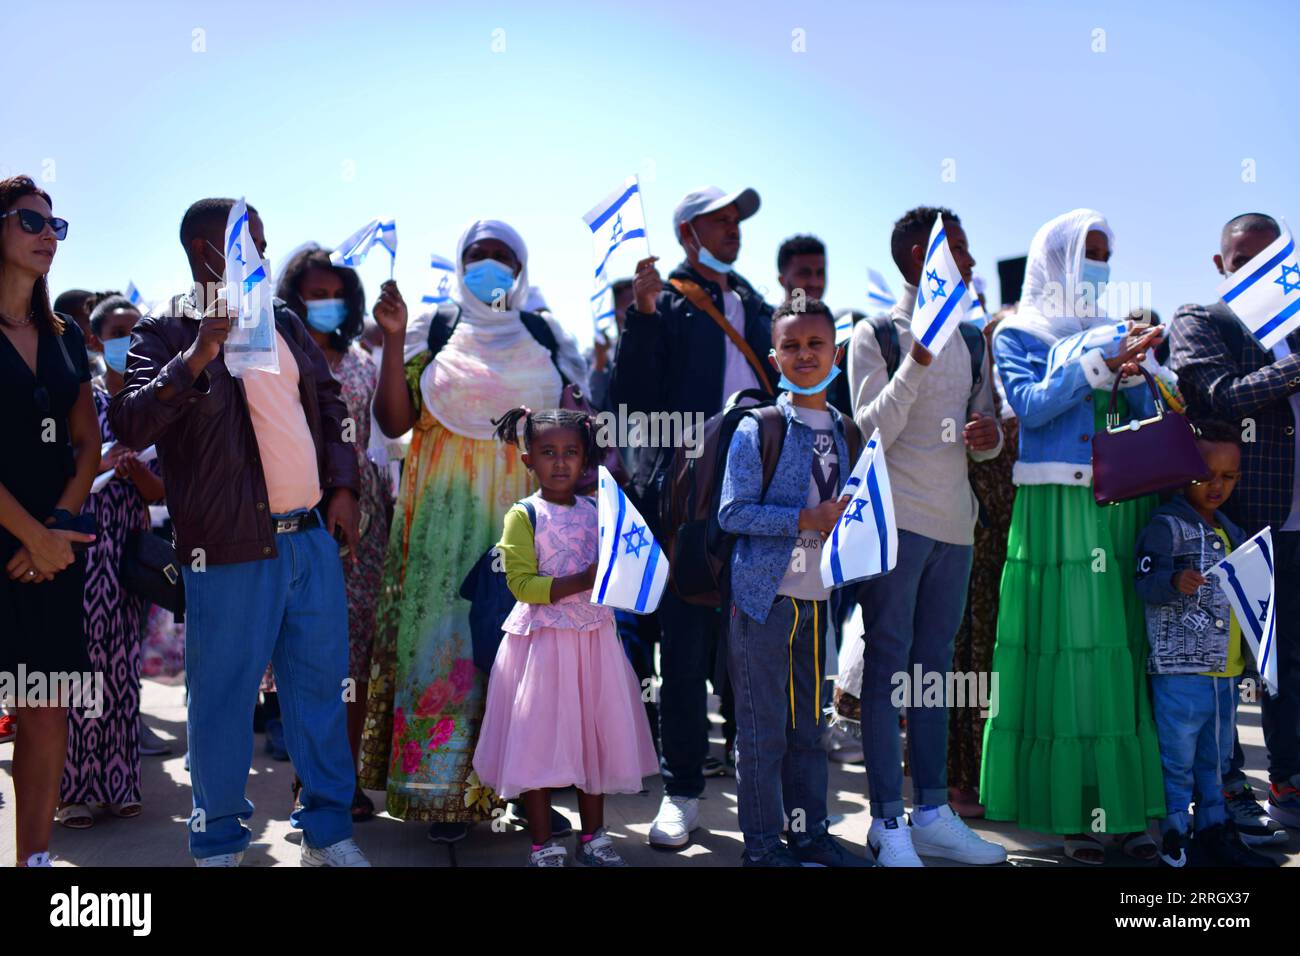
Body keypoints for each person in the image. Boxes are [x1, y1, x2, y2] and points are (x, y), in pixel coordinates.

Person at [109, 197, 368, 867]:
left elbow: (332, 401)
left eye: (261, 238)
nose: (262, 249)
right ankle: (219, 839)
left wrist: (343, 488)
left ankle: (328, 831)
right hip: (226, 550)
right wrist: (200, 353)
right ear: (207, 253)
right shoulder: (164, 332)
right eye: (247, 240)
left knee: (317, 692)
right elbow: (133, 424)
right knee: (221, 702)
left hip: (310, 539)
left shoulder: (282, 319)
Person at [363, 219, 586, 844]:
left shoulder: (544, 337)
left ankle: (526, 795)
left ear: (522, 269)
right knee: (449, 651)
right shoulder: (432, 332)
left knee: (526, 655)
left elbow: (574, 423)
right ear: (460, 266)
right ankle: (443, 794)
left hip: (527, 523)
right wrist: (387, 342)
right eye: (477, 256)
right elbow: (393, 420)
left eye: (503, 257)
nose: (490, 267)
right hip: (442, 524)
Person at [979, 208, 1166, 865]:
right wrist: (1097, 364)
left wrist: (1138, 375)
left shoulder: (1114, 329)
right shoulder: (1017, 332)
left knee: (1115, 652)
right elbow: (1028, 406)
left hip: (1117, 503)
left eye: (1104, 253)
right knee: (1066, 652)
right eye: (1088, 252)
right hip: (1056, 506)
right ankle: (1076, 814)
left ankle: (1127, 807)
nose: (1098, 266)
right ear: (1055, 258)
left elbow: (1143, 420)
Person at [610, 185, 776, 848]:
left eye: (738, 220)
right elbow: (630, 404)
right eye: (720, 219)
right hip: (684, 504)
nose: (733, 229)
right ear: (687, 232)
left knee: (756, 648)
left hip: (759, 499)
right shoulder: (665, 303)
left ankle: (759, 781)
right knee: (681, 651)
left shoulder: (760, 306)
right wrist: (643, 318)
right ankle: (681, 792)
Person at [847, 206, 1007, 866]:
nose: (970, 263)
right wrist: (915, 359)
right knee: (888, 673)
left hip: (956, 529)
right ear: (922, 255)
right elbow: (873, 429)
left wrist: (988, 439)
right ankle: (887, 824)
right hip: (895, 530)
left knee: (933, 675)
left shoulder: (973, 339)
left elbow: (984, 439)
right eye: (960, 250)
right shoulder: (875, 333)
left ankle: (933, 812)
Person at [717, 298, 869, 866]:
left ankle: (809, 836)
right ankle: (760, 848)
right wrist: (804, 520)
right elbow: (732, 514)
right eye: (791, 346)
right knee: (763, 735)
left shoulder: (849, 431)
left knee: (810, 733)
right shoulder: (761, 427)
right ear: (773, 356)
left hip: (818, 602)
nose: (805, 355)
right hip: (763, 601)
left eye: (816, 344)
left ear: (837, 351)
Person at [472, 406, 657, 866]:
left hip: (593, 643)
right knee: (536, 739)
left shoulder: (599, 511)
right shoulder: (524, 515)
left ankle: (593, 835)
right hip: (541, 647)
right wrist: (581, 580)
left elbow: (622, 567)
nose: (559, 462)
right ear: (527, 459)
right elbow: (519, 584)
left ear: (585, 458)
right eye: (548, 452)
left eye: (570, 452)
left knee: (593, 737)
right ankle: (542, 842)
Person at [1170, 213, 1300, 841]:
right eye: (1242, 259)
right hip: (1238, 522)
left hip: (1298, 522)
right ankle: (1224, 794)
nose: (1256, 269)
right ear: (1220, 264)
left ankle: (1289, 786)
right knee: (1229, 665)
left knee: (1289, 663)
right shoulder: (1203, 318)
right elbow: (1219, 397)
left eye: (1270, 258)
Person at [0, 175, 100, 867]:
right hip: (23, 545)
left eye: (55, 225)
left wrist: (57, 527)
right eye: (31, 220)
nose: (47, 234)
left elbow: (88, 443)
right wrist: (31, 535)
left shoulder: (66, 339)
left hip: (54, 552)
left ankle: (33, 862)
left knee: (44, 707)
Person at [277, 244, 393, 821]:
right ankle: (309, 779)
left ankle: (343, 780)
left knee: (354, 652)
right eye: (314, 294)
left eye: (335, 295)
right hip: (297, 507)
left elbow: (387, 428)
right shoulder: (277, 355)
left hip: (363, 516)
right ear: (293, 297)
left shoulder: (363, 361)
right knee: (306, 650)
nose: (325, 304)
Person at [1134, 420, 1277, 867]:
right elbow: (1142, 579)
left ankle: (1215, 830)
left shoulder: (1234, 530)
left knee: (1215, 760)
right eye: (1205, 476)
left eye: (1229, 477)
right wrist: (1173, 579)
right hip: (1180, 672)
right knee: (1176, 758)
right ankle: (1175, 834)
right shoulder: (1166, 524)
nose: (1217, 486)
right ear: (1182, 473)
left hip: (1225, 672)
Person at [55, 296, 165, 829]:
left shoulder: (152, 407)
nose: (127, 340)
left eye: (135, 331)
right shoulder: (82, 403)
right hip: (81, 552)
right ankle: (73, 789)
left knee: (122, 670)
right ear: (95, 341)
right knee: (81, 670)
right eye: (117, 331)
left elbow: (163, 489)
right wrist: (102, 463)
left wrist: (137, 475)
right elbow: (58, 472)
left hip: (129, 556)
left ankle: (119, 783)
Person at [947, 308, 1021, 817]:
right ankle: (963, 778)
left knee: (1006, 650)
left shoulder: (1021, 390)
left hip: (1022, 537)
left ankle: (1006, 771)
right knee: (969, 649)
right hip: (976, 530)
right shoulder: (973, 389)